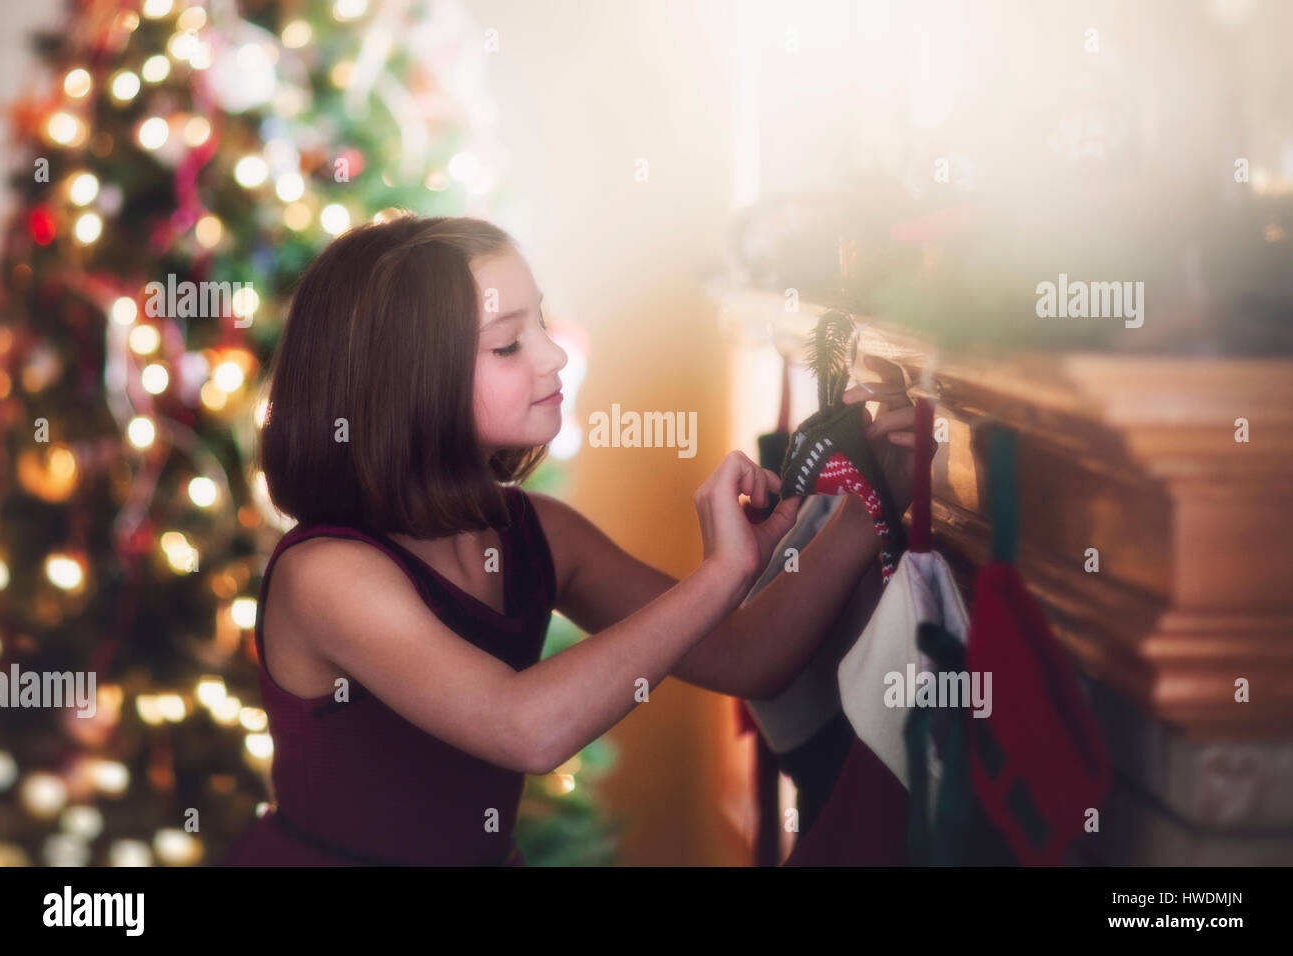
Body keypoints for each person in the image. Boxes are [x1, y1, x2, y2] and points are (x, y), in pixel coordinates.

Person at [222, 211, 917, 866]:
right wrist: (720, 573)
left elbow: (746, 658)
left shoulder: (536, 534)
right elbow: (528, 729)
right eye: (507, 343)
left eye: (543, 323)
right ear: (406, 382)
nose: (555, 355)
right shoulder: (328, 574)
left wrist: (868, 505)